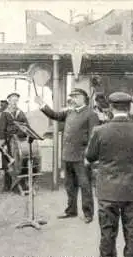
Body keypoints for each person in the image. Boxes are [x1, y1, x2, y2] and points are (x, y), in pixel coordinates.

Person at [85, 92, 133, 257]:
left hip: (107, 191)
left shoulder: (99, 131)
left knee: (107, 233)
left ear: (111, 108)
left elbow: (90, 157)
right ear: (129, 108)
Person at [36, 88, 99, 223]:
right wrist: (42, 104)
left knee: (84, 185)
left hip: (82, 156)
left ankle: (88, 213)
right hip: (68, 155)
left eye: (76, 96)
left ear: (83, 98)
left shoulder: (91, 114)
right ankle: (71, 211)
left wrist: (89, 156)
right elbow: (55, 115)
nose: (72, 99)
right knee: (69, 185)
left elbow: (93, 137)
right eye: (72, 97)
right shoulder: (69, 112)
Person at [0, 93, 30, 191]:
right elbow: (1, 128)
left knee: (21, 162)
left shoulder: (20, 112)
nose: (15, 102)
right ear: (9, 101)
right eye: (13, 100)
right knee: (8, 163)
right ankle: (7, 185)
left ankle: (21, 184)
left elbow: (27, 125)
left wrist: (25, 133)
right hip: (9, 141)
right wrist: (2, 142)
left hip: (20, 141)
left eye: (16, 100)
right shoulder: (5, 114)